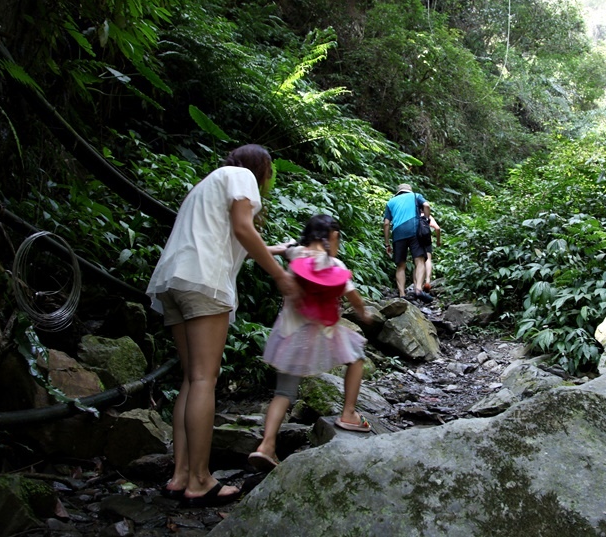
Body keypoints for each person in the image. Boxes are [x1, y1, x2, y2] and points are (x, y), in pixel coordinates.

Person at [145, 144, 300, 508]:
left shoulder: (206, 184)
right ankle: (200, 480)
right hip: (204, 281)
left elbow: (231, 237)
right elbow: (243, 229)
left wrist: (278, 249)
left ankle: (181, 474)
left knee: (190, 378)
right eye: (270, 170)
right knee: (204, 380)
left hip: (174, 280)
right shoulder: (242, 176)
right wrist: (279, 276)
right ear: (260, 167)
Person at [248, 214, 372, 472]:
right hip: (321, 335)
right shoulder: (334, 264)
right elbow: (354, 297)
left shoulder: (295, 254)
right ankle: (349, 413)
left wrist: (256, 249)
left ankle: (266, 446)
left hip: (288, 333)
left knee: (283, 392)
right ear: (332, 238)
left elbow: (269, 250)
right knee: (356, 357)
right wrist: (364, 313)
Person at [383, 183, 433, 302]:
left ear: (398, 192)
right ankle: (418, 289)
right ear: (409, 191)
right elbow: (426, 205)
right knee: (419, 261)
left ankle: (402, 295)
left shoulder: (390, 202)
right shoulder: (416, 196)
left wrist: (387, 243)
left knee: (400, 265)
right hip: (415, 230)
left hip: (398, 233)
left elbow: (386, 223)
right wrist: (426, 219)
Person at [420, 201, 441, 292]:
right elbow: (437, 228)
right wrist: (438, 241)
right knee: (428, 259)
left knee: (418, 261)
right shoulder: (427, 217)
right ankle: (427, 281)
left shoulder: (414, 216)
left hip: (416, 240)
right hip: (427, 239)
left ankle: (418, 284)